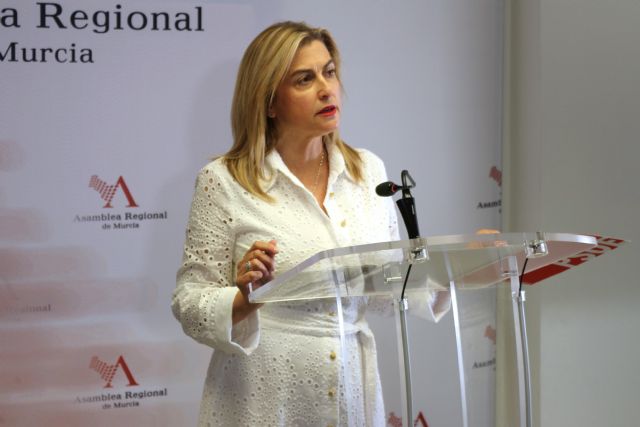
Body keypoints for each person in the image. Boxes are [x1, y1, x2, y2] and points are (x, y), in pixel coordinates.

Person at [172, 21, 440, 426]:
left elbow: (384, 289)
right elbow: (190, 303)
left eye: (329, 72)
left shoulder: (368, 171)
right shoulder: (224, 181)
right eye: (304, 79)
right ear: (269, 102)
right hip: (264, 394)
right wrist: (244, 300)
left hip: (353, 387)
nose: (326, 89)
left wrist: (470, 269)